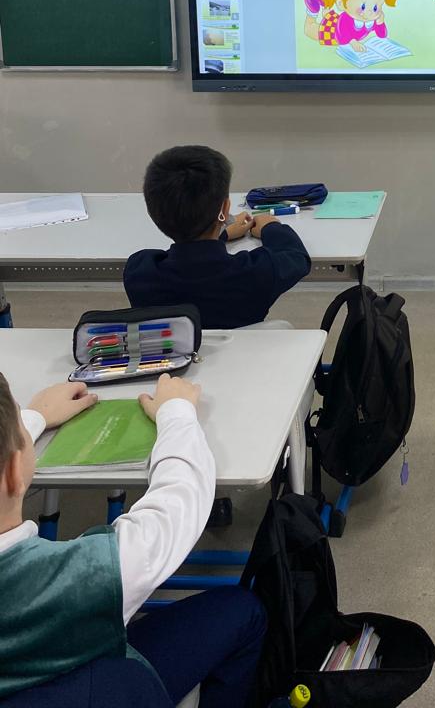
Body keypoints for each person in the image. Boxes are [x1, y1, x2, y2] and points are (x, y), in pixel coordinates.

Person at [0, 371, 266, 705]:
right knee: (245, 613)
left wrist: (30, 419)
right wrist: (176, 412)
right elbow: (176, 505)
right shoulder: (88, 577)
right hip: (108, 687)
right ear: (13, 471)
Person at [124, 145, 311, 330]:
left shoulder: (139, 272)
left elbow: (192, 261)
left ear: (152, 213)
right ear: (225, 209)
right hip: (243, 351)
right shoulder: (256, 273)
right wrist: (270, 226)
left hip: (176, 351)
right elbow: (295, 256)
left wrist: (223, 234)